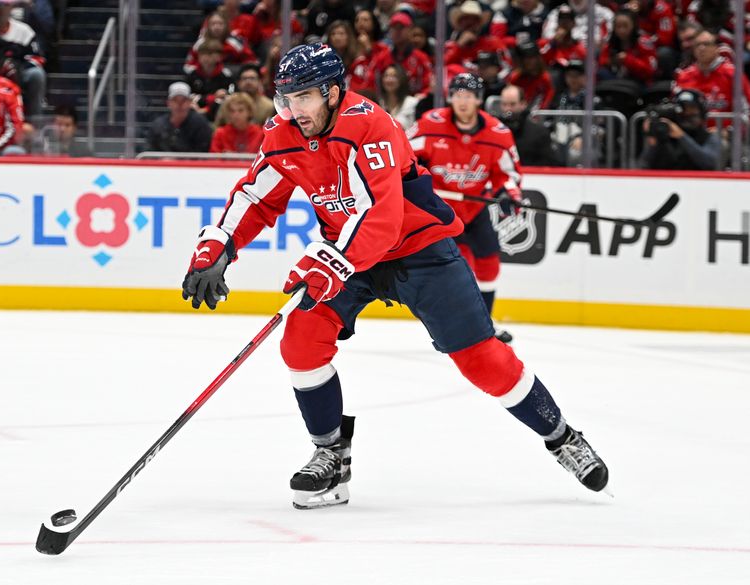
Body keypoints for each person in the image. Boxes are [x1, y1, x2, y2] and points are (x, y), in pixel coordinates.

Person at [181, 44, 610, 509]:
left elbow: (381, 217)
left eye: (303, 97)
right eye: (285, 98)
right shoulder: (284, 133)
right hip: (349, 254)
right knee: (301, 338)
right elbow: (257, 197)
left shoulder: (370, 124)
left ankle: (561, 436)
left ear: (331, 91)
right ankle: (331, 456)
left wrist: (329, 262)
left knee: (482, 359)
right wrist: (218, 245)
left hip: (418, 250)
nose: (292, 109)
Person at [410, 72, 521, 344]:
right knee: (452, 272)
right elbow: (404, 156)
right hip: (441, 214)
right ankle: (450, 326)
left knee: (489, 265)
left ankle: (485, 323)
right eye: (457, 95)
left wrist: (508, 193)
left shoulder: (497, 134)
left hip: (474, 208)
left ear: (479, 100)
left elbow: (508, 173)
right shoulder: (430, 125)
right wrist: (416, 183)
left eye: (468, 96)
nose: (462, 101)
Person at [0, 0, 46, 120]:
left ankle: (33, 122)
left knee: (36, 74)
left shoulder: (24, 31)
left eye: (4, 5)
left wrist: (18, 70)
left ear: (11, 7)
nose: (0, 9)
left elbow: (37, 59)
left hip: (16, 71)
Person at [640, 88, 721, 170]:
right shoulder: (666, 133)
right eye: (683, 108)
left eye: (692, 109)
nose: (687, 113)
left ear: (701, 112)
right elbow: (645, 165)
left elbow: (709, 163)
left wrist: (681, 136)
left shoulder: (708, 137)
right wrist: (653, 140)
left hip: (697, 180)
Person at [498, 84, 558, 166]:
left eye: (512, 104)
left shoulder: (539, 132)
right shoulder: (494, 131)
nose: (508, 109)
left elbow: (548, 164)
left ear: (523, 104)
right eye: (504, 104)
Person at [146, 81, 213, 153]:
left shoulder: (201, 125)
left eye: (183, 100)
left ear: (190, 102)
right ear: (168, 103)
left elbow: (204, 152)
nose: (179, 104)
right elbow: (150, 151)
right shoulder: (158, 125)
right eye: (175, 100)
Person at [376, 63, 418, 130]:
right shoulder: (378, 104)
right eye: (386, 76)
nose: (389, 80)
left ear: (402, 79)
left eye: (394, 76)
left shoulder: (412, 103)